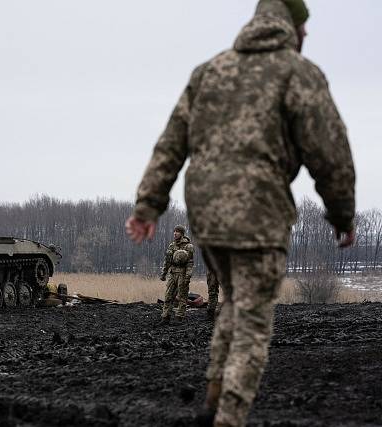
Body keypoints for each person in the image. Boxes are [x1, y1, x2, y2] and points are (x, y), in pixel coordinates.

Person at [124, 1, 356, 425]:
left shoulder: (209, 71)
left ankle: (213, 400)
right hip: (258, 217)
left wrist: (148, 205)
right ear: (293, 27)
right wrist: (341, 214)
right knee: (253, 323)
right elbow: (330, 151)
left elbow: (171, 143)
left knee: (235, 305)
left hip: (208, 217)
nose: (307, 37)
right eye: (306, 29)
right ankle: (229, 418)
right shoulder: (298, 73)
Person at [159, 225, 194, 324]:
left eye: (177, 231)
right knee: (168, 295)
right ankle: (165, 317)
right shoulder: (172, 245)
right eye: (174, 231)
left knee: (182, 296)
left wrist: (188, 276)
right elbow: (167, 261)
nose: (175, 233)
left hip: (182, 274)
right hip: (173, 273)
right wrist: (164, 273)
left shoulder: (188, 246)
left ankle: (179, 317)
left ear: (182, 233)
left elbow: (190, 263)